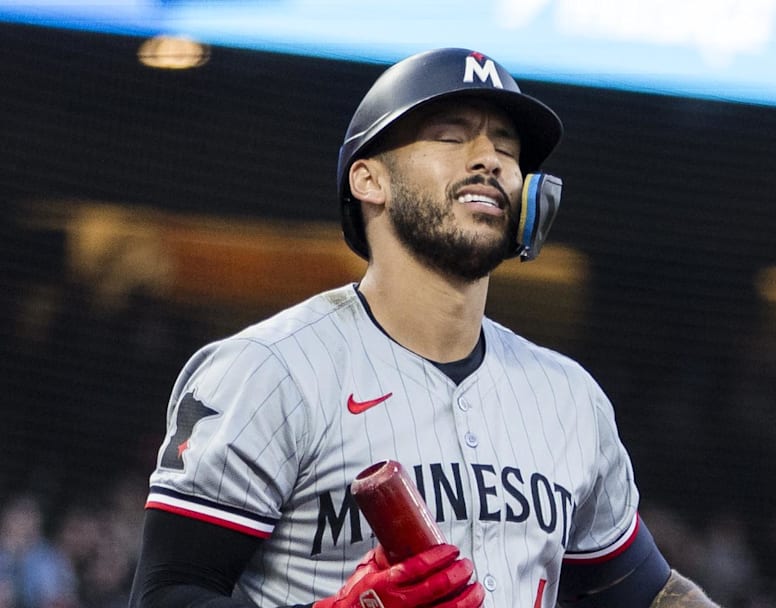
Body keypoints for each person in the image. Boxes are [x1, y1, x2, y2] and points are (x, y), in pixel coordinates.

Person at [128, 48, 719, 608]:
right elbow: (164, 596)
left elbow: (647, 593)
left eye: (507, 147)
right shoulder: (268, 369)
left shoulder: (571, 400)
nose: (489, 158)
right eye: (451, 135)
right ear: (369, 181)